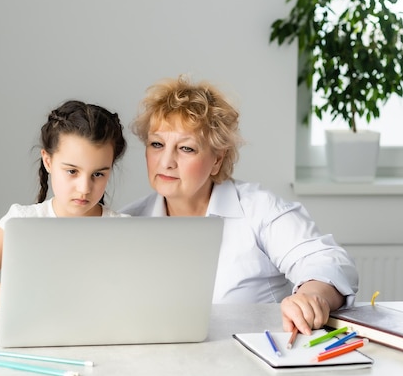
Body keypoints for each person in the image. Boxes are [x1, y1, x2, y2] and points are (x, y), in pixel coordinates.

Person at [120, 76, 358, 335]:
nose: (166, 161)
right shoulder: (128, 221)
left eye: (186, 149)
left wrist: (312, 297)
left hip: (255, 364)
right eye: (157, 144)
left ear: (217, 160)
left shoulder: (258, 209)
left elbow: (326, 260)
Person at [0, 100, 128, 306]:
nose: (84, 188)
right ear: (48, 161)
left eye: (98, 174)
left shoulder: (125, 230)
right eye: (72, 171)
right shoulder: (20, 222)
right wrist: (29, 299)